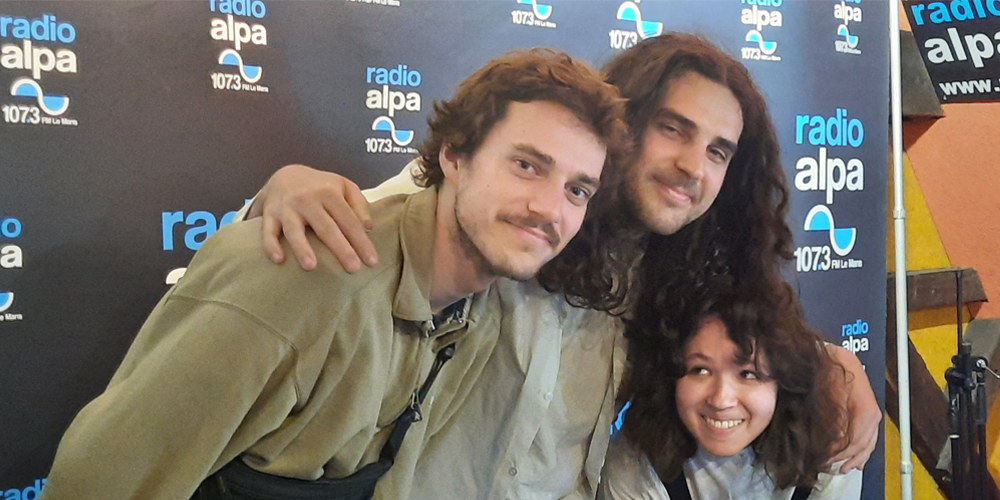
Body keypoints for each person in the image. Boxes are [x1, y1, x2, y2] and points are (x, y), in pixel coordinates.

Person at [239, 33, 881, 500]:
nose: (693, 165)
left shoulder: (678, 279)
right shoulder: (498, 206)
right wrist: (288, 186)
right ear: (623, 123)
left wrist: (835, 362)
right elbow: (328, 230)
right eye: (673, 128)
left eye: (718, 151)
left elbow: (751, 348)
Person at [38, 48, 630, 500]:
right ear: (454, 156)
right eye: (526, 165)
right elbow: (97, 485)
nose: (550, 209)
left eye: (577, 190)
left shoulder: (476, 312)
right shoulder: (302, 279)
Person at [600, 263, 863, 499]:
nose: (721, 399)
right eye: (700, 370)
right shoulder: (635, 463)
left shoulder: (832, 450)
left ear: (784, 382)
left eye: (748, 374)